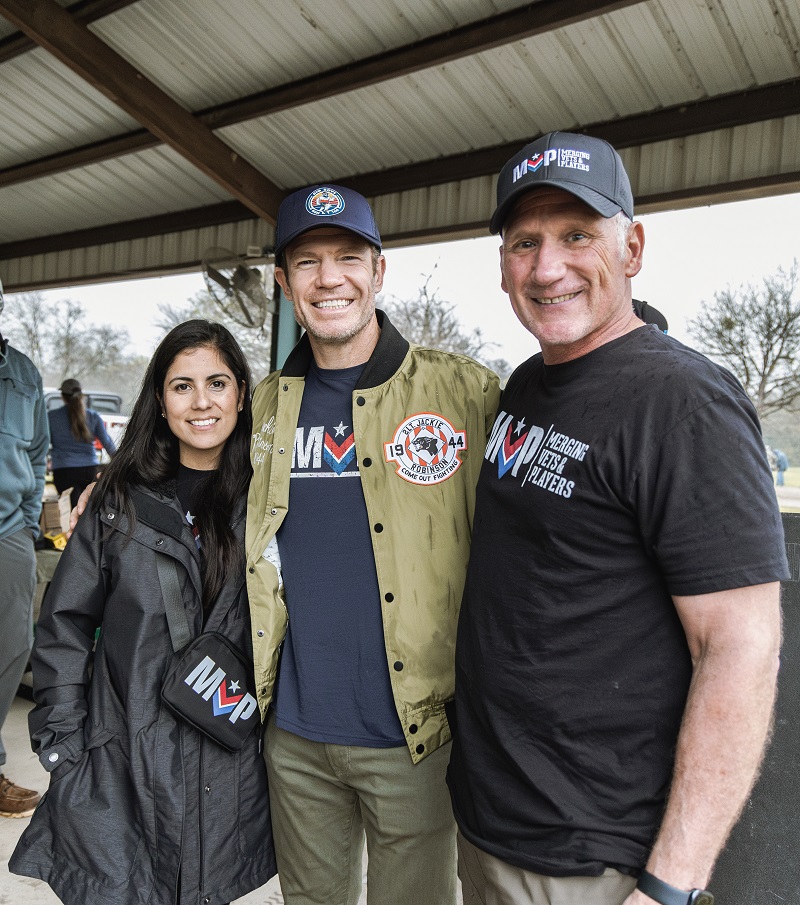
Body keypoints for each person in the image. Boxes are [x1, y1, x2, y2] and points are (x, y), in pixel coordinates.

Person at [447, 132, 786, 905]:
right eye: (524, 241)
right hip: (493, 821)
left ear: (631, 247)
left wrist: (668, 885)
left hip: (594, 856)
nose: (547, 266)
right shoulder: (528, 383)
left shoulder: (685, 402)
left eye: (576, 235)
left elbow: (741, 646)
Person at [245, 184, 501, 904]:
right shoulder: (265, 406)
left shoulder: (465, 393)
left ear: (379, 271)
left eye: (349, 256)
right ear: (285, 282)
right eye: (308, 261)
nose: (330, 277)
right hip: (293, 735)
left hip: (414, 735)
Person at [10, 320, 276, 905]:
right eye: (182, 386)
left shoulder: (270, 501)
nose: (202, 401)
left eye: (217, 382)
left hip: (227, 758)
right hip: (121, 756)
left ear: (241, 394)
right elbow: (65, 624)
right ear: (159, 399)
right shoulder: (116, 503)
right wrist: (63, 742)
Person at [0, 276, 49, 818]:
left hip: (9, 531)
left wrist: (30, 521)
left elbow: (37, 456)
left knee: (11, 646)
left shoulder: (24, 373)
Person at [47, 377, 118, 508]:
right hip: (89, 470)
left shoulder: (51, 417)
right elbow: (107, 442)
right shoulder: (93, 416)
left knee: (71, 511)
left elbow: (44, 443)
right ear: (81, 395)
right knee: (89, 511)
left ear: (63, 396)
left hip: (64, 471)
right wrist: (120, 462)